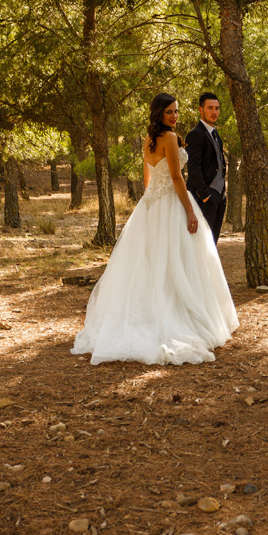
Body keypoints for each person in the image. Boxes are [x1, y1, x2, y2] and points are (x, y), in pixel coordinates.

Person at [71, 93, 239, 365]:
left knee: (151, 261)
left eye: (176, 111)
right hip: (170, 203)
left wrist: (150, 203)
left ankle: (151, 311)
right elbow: (175, 177)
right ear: (159, 113)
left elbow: (148, 177)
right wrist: (188, 210)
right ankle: (175, 316)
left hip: (150, 206)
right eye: (170, 112)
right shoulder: (170, 138)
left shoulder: (150, 139)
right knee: (178, 259)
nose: (174, 116)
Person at [185, 92, 227, 243]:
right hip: (204, 197)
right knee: (201, 243)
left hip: (220, 197)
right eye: (210, 108)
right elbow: (193, 167)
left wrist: (222, 195)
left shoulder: (215, 135)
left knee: (212, 243)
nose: (214, 112)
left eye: (217, 108)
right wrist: (205, 195)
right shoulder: (195, 135)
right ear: (201, 110)